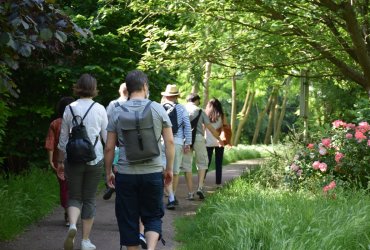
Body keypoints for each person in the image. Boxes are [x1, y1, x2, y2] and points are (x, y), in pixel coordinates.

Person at [104, 70, 175, 250]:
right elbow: (170, 142)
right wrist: (169, 169)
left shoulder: (117, 111)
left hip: (126, 174)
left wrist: (108, 172)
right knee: (152, 216)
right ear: (145, 87)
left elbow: (109, 147)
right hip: (152, 172)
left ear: (127, 89)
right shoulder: (157, 108)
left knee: (128, 219)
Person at [57, 74, 108, 250]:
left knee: (74, 196)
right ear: (94, 88)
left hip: (73, 159)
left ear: (77, 87)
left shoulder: (69, 108)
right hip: (95, 158)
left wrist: (60, 162)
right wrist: (111, 164)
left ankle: (72, 225)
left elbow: (63, 138)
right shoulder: (100, 108)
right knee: (89, 199)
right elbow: (106, 138)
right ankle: (85, 241)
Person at [181, 93, 223, 200]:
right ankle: (200, 187)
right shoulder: (200, 111)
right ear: (197, 100)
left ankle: (190, 193)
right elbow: (209, 127)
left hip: (185, 139)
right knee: (203, 163)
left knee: (187, 165)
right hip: (198, 138)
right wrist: (219, 139)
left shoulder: (181, 110)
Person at [45, 96, 75, 227]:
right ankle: (72, 213)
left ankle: (68, 213)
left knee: (64, 188)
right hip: (77, 159)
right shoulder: (78, 122)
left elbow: (50, 142)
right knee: (75, 187)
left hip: (60, 160)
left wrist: (51, 160)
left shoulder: (55, 123)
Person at [161, 84, 192, 210]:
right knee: (175, 171)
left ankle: (167, 194)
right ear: (176, 96)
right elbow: (187, 125)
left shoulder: (159, 107)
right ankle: (171, 198)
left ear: (166, 95)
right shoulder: (182, 108)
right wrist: (187, 143)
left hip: (162, 141)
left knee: (162, 169)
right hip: (178, 142)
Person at [103, 82, 129, 200]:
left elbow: (107, 120)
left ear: (120, 91)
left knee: (115, 162)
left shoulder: (114, 104)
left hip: (116, 137)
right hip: (129, 138)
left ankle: (114, 183)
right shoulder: (132, 103)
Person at [205, 98, 227, 187]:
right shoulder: (222, 115)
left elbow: (203, 128)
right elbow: (225, 127)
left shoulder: (205, 115)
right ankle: (218, 184)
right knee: (219, 163)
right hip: (220, 141)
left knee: (207, 162)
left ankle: (201, 182)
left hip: (208, 142)